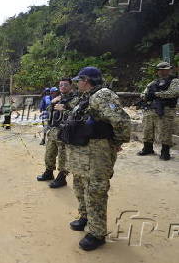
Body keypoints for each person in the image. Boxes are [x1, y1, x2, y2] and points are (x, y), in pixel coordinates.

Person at [61, 67, 130, 251]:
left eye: (79, 80)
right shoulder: (86, 96)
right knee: (80, 185)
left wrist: (117, 142)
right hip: (82, 153)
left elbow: (121, 120)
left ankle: (97, 232)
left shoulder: (103, 95)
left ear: (87, 80)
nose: (76, 83)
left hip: (97, 152)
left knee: (95, 190)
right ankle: (85, 216)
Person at [37, 79, 78, 188]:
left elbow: (77, 116)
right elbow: (49, 111)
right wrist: (52, 103)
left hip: (65, 132)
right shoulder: (58, 97)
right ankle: (49, 172)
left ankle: (62, 177)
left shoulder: (75, 99)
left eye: (65, 85)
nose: (63, 87)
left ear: (71, 85)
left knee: (63, 156)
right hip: (53, 130)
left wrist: (64, 108)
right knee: (49, 153)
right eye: (61, 85)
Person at [137, 62, 178, 160]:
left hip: (166, 109)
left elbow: (173, 93)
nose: (161, 71)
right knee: (147, 129)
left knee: (165, 131)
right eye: (160, 70)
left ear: (169, 70)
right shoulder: (153, 82)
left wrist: (156, 94)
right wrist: (146, 96)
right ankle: (147, 148)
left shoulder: (175, 81)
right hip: (152, 108)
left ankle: (165, 152)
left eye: (164, 69)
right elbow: (144, 93)